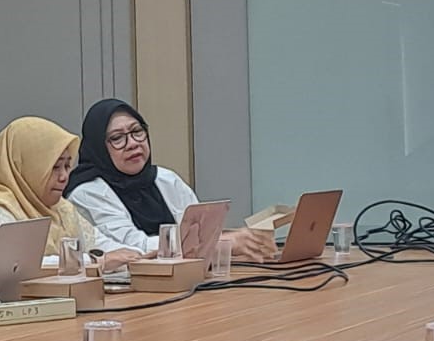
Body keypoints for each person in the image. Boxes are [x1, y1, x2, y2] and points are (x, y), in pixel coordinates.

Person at [65, 98, 276, 263]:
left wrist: (237, 242)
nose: (132, 143)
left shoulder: (165, 179)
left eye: (137, 131)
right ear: (98, 147)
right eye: (117, 138)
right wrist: (221, 242)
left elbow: (200, 233)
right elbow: (133, 247)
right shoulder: (87, 192)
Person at [0, 116, 142, 297]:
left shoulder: (60, 208)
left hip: (47, 303)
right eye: (55, 167)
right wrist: (97, 261)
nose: (64, 177)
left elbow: (101, 244)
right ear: (26, 165)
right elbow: (19, 268)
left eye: (67, 166)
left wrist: (140, 256)